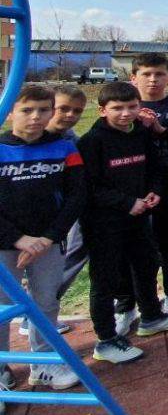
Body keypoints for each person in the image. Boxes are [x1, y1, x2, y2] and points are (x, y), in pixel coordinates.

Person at [78, 82, 168, 364]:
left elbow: (153, 168)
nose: (125, 113)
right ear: (103, 110)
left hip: (140, 216)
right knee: (105, 280)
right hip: (105, 221)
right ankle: (106, 340)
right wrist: (126, 202)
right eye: (117, 108)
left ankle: (151, 316)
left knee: (145, 266)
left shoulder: (140, 134)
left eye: (131, 107)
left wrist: (154, 191)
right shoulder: (92, 142)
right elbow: (89, 187)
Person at [0, 85, 85, 393]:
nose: (36, 117)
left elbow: (77, 196)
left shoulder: (64, 147)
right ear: (10, 111)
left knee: (46, 302)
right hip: (6, 244)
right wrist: (19, 239)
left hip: (48, 242)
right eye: (27, 110)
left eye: (43, 110)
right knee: (1, 306)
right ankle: (1, 366)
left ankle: (44, 363)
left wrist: (49, 238)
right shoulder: (1, 147)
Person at [129, 53, 168, 320]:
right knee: (134, 247)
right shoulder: (124, 105)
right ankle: (129, 302)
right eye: (146, 74)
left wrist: (159, 128)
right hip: (133, 190)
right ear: (134, 78)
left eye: (159, 74)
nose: (153, 80)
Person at [41, 85, 87, 337]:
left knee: (76, 253)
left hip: (68, 213)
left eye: (76, 111)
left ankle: (43, 315)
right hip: (37, 220)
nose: (69, 115)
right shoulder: (31, 138)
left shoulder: (72, 140)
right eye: (63, 109)